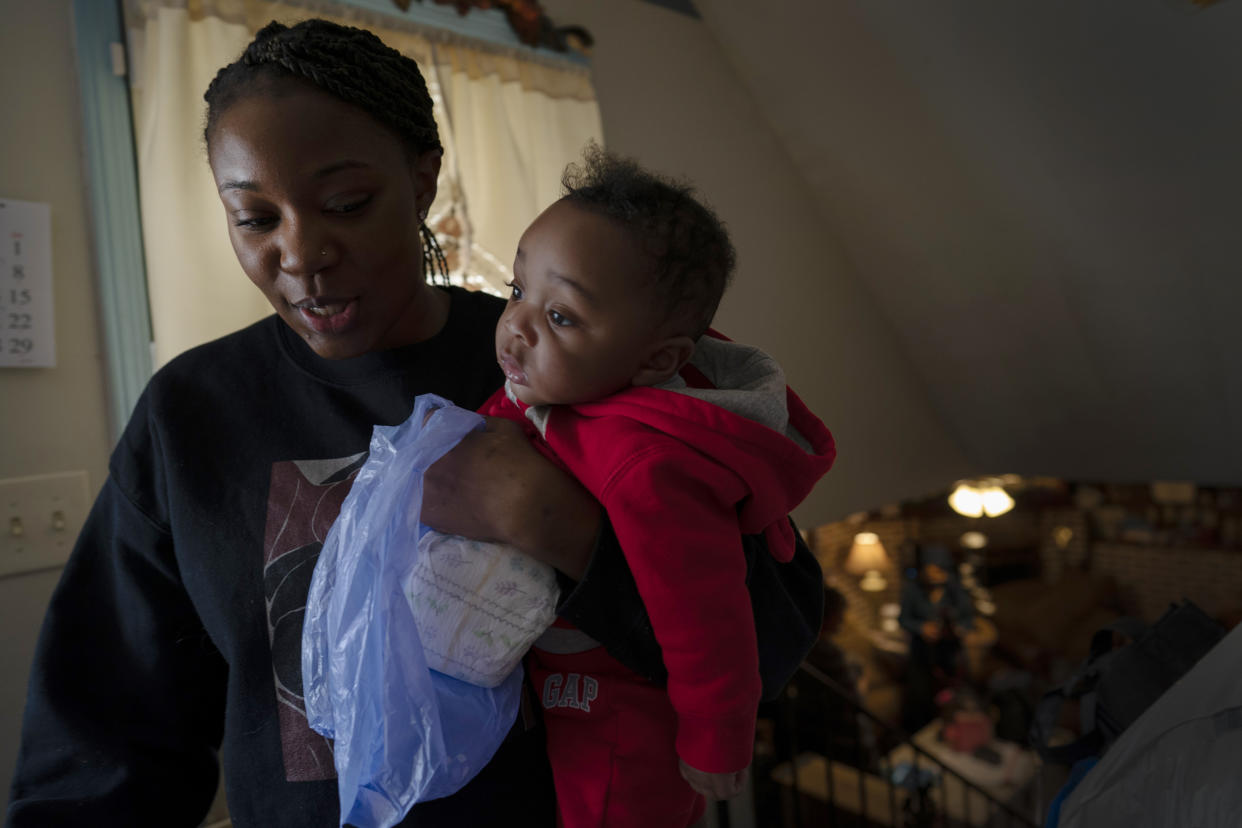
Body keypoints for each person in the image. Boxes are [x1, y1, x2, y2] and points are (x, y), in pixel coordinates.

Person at [5, 18, 824, 828]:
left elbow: (767, 640)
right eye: (255, 218)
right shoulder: (191, 416)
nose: (301, 254)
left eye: (347, 203)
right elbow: (104, 742)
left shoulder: (567, 367)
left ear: (423, 180)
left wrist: (559, 528)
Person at [467, 147, 836, 827]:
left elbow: (705, 614)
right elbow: (505, 423)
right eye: (519, 291)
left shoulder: (648, 466)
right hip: (554, 668)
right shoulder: (571, 378)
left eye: (561, 317)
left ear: (657, 361)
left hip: (623, 707)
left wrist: (715, 737)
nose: (516, 324)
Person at [898, 543, 975, 731]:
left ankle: (954, 729)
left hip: (950, 653)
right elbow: (903, 619)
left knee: (956, 691)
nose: (934, 575)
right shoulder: (912, 591)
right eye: (930, 570)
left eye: (938, 571)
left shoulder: (955, 591)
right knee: (920, 696)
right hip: (922, 653)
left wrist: (960, 628)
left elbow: (969, 618)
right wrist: (921, 628)